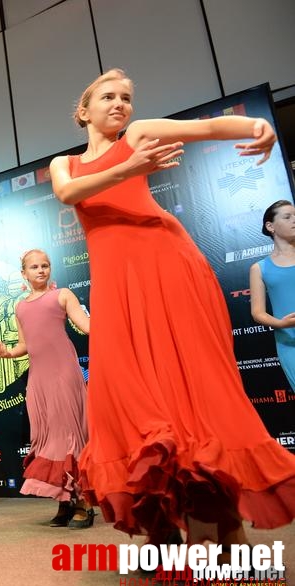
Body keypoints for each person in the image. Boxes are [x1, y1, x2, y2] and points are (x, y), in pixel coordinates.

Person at [49, 68, 295, 552]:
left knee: (190, 389)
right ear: (83, 111)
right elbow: (68, 193)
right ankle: (162, 530)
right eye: (107, 96)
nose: (119, 104)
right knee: (125, 396)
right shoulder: (67, 163)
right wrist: (130, 167)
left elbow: (203, 129)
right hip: (117, 287)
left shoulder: (138, 135)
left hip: (167, 266)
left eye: (126, 97)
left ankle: (222, 539)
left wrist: (256, 128)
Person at [0, 249, 93, 528]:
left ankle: (84, 502)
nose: (41, 270)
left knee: (71, 436)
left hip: (64, 374)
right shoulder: (20, 307)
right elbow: (25, 344)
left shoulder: (62, 295)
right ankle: (64, 500)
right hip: (38, 380)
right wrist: (8, 353)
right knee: (47, 438)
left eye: (45, 265)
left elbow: (86, 326)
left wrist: (116, 319)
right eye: (34, 267)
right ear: (23, 274)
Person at [249, 200, 295, 390]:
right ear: (270, 226)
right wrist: (282, 324)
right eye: (287, 217)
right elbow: (258, 313)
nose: (294, 220)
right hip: (290, 344)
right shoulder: (259, 268)